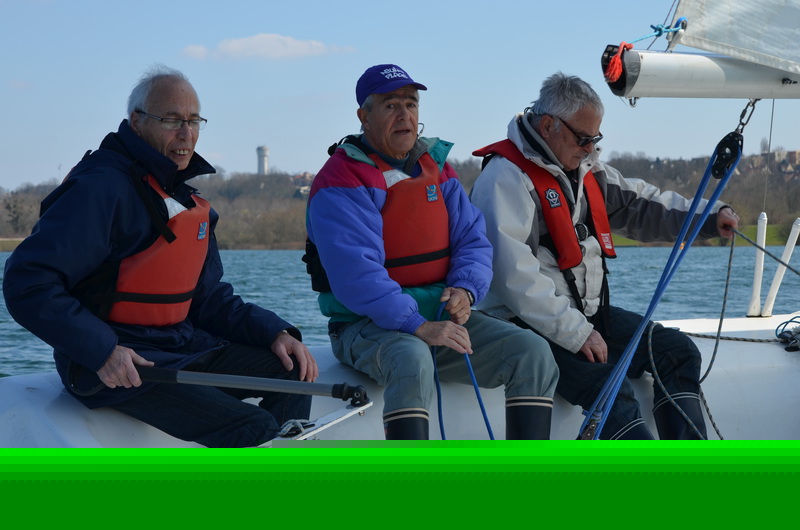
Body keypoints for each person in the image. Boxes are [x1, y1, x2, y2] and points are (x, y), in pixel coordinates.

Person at [3, 66, 318, 448]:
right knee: (254, 429)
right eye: (171, 120)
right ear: (137, 122)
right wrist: (102, 351)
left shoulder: (185, 199)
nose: (186, 133)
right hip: (113, 364)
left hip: (179, 347)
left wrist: (275, 332)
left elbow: (207, 298)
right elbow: (28, 281)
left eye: (193, 121)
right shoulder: (100, 189)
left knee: (292, 372)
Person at [470, 72, 740, 440]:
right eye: (583, 139)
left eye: (595, 139)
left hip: (586, 316)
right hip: (526, 326)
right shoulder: (505, 178)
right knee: (611, 387)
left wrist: (709, 217)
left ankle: (687, 465)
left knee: (678, 352)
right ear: (548, 126)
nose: (590, 149)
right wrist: (577, 334)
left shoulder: (588, 171)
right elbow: (512, 277)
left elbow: (644, 205)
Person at [303, 64, 558, 440]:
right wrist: (417, 325)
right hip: (362, 325)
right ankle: (415, 473)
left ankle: (528, 470)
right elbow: (355, 273)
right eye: (391, 105)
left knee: (532, 353)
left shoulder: (437, 169)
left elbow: (473, 239)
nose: (404, 114)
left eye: (411, 103)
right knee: (410, 356)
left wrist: (466, 290)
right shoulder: (341, 180)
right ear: (364, 117)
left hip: (437, 314)